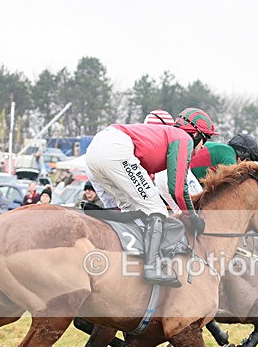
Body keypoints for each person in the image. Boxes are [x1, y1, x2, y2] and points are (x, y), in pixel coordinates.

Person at [85, 107, 216, 287]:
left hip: (95, 151)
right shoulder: (183, 139)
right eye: (205, 140)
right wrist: (192, 215)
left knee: (132, 209)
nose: (202, 148)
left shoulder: (167, 135)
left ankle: (125, 256)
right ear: (196, 134)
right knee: (156, 209)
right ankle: (151, 267)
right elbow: (177, 188)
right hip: (114, 149)